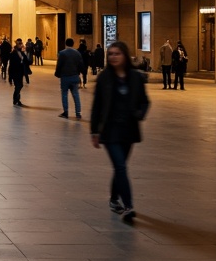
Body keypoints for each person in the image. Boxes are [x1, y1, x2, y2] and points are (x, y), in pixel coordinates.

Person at [89, 41, 150, 223]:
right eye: (111, 54)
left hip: (129, 129)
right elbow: (96, 107)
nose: (113, 57)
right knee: (121, 167)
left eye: (117, 53)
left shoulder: (135, 77)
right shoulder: (104, 78)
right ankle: (129, 205)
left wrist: (140, 114)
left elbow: (145, 101)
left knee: (120, 166)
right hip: (110, 130)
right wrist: (94, 131)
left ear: (125, 55)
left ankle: (114, 198)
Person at [55, 37, 83, 119]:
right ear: (73, 44)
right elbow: (81, 65)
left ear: (65, 44)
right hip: (74, 76)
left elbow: (59, 65)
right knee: (76, 95)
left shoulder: (62, 53)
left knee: (64, 95)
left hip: (65, 77)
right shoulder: (77, 53)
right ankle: (78, 113)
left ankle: (66, 112)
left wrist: (57, 74)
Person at [7, 38, 30, 107]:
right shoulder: (13, 53)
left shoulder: (22, 53)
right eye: (19, 44)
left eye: (21, 43)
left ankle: (17, 99)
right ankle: (16, 100)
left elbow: (26, 61)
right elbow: (11, 65)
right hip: (15, 72)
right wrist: (10, 77)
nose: (21, 45)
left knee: (20, 85)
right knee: (18, 86)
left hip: (20, 72)